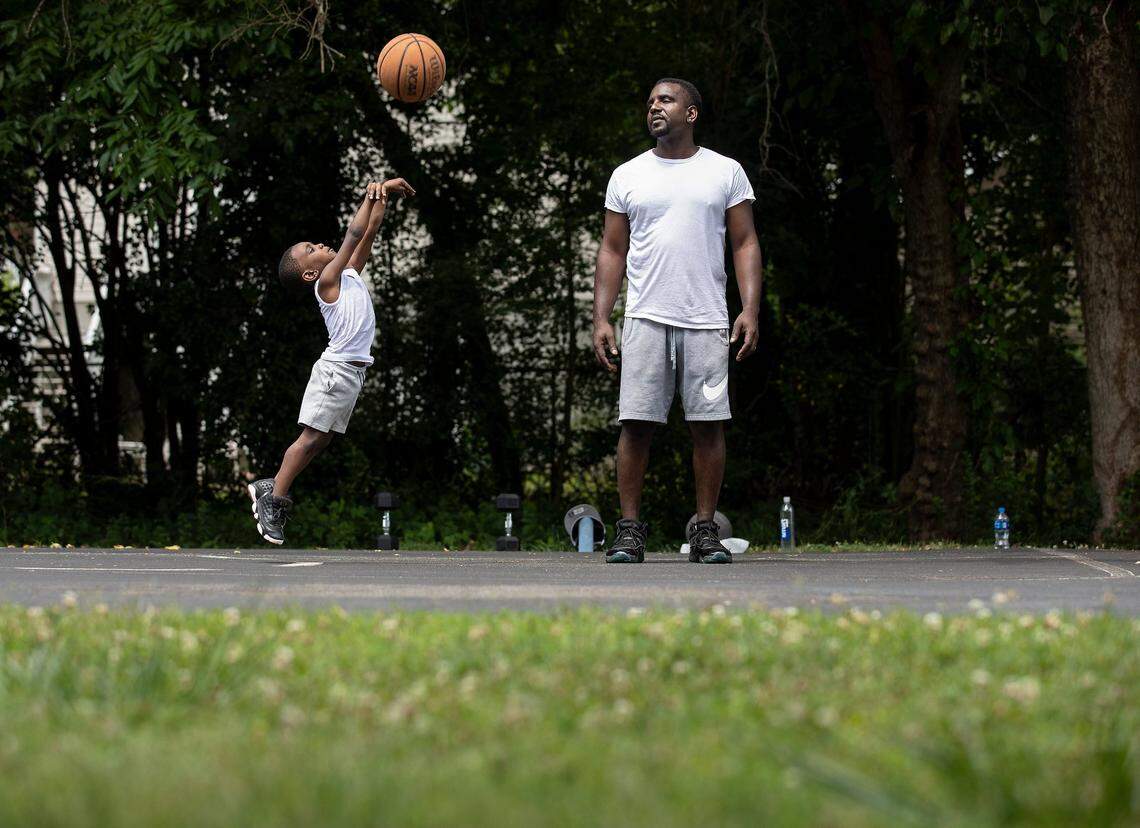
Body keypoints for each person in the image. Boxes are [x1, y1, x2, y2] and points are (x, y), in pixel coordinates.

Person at [592, 78, 762, 564]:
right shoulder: (627, 175)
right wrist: (602, 316)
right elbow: (611, 249)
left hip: (706, 317)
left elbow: (745, 242)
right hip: (645, 316)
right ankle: (628, 531)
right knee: (636, 424)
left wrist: (749, 309)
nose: (654, 108)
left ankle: (705, 531)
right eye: (650, 102)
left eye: (665, 100)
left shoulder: (725, 172)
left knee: (708, 426)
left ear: (691, 114)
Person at [248, 177, 416, 544]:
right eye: (312, 249)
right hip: (335, 372)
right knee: (310, 438)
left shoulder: (349, 274)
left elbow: (368, 231)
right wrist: (369, 194)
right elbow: (353, 235)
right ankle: (273, 500)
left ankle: (271, 485)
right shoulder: (327, 282)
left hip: (351, 375)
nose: (320, 245)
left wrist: (381, 195)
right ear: (310, 272)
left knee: (320, 440)